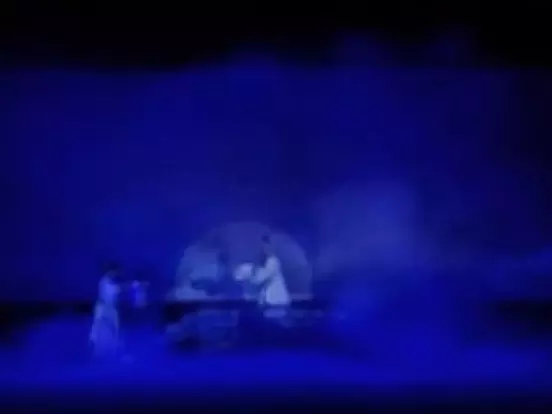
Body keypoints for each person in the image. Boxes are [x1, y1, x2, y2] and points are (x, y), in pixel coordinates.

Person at [89, 262, 124, 358]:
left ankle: (112, 352)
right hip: (104, 308)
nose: (116, 273)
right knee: (100, 330)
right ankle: (98, 353)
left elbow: (115, 292)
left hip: (110, 308)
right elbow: (109, 294)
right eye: (115, 271)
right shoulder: (105, 281)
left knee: (113, 330)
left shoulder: (110, 282)